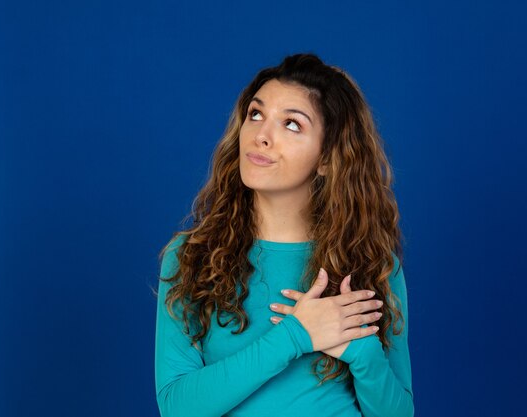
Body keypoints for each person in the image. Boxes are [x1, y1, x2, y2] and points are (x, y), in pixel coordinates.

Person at [154, 53, 414, 417]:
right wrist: (296, 335)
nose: (262, 136)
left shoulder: (375, 265)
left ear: (326, 158)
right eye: (255, 114)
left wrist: (361, 350)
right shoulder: (190, 256)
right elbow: (177, 407)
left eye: (291, 124)